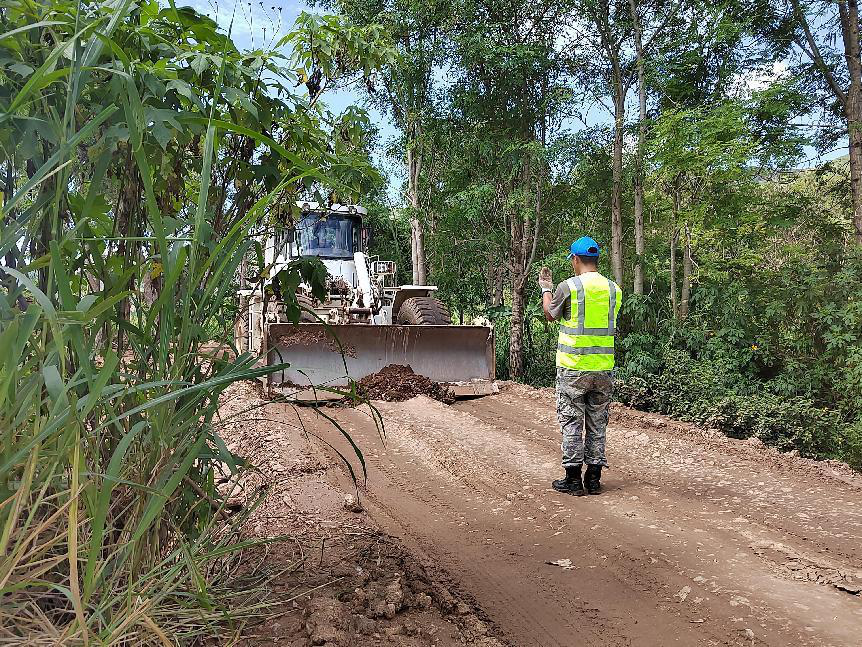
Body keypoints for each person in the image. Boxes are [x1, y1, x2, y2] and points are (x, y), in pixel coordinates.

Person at [538, 236, 622, 496]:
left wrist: (546, 288)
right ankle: (594, 479)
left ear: (575, 259)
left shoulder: (569, 287)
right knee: (598, 423)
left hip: (573, 368)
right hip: (603, 368)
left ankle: (573, 480)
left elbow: (550, 315)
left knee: (572, 422)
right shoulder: (613, 290)